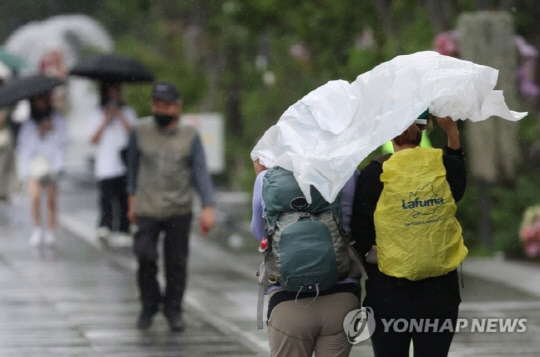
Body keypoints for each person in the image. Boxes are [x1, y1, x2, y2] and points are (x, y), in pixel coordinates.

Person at [350, 114, 467, 357]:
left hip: (388, 293)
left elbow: (360, 233)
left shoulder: (375, 173)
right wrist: (452, 132)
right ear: (425, 129)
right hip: (439, 293)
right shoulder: (443, 165)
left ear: (390, 133)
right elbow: (458, 188)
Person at [127, 81, 215, 332]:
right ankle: (149, 303)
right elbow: (132, 169)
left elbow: (200, 173)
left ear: (177, 107)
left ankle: (173, 309)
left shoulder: (190, 136)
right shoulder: (140, 131)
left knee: (176, 262)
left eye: (166, 105)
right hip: (147, 207)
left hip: (179, 208)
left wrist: (208, 206)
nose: (160, 109)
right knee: (145, 257)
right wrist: (131, 200)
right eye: (156, 104)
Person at [250, 158, 362, 357]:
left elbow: (260, 234)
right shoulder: (348, 173)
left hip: (288, 299)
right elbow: (360, 225)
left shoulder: (266, 179)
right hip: (341, 295)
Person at [16, 92, 68, 246]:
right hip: (34, 166)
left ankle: (51, 230)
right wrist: (39, 132)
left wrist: (52, 130)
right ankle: (37, 229)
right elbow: (24, 147)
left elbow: (64, 141)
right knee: (35, 198)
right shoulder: (28, 124)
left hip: (52, 164)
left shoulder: (58, 119)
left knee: (51, 200)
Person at [89, 82, 136, 245]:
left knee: (123, 198)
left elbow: (133, 135)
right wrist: (106, 119)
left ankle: (124, 229)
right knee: (106, 198)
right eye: (112, 91)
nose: (116, 95)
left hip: (123, 162)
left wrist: (120, 115)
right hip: (105, 163)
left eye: (118, 91)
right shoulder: (98, 113)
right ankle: (105, 227)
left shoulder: (128, 112)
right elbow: (93, 139)